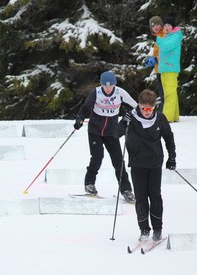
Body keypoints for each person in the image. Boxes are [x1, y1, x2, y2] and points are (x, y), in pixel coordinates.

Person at [117, 89, 176, 242]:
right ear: (139, 105)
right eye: (144, 108)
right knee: (141, 198)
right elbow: (115, 134)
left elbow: (169, 138)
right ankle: (144, 230)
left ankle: (157, 228)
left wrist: (172, 158)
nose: (148, 112)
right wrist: (123, 121)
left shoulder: (160, 119)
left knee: (155, 197)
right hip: (137, 164)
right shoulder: (131, 118)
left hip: (155, 163)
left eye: (150, 108)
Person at [73, 71, 137, 203]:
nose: (108, 88)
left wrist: (129, 116)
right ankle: (89, 183)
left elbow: (136, 107)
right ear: (101, 84)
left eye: (111, 85)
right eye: (105, 85)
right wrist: (79, 118)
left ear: (115, 84)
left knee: (118, 161)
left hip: (112, 132)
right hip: (95, 131)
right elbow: (85, 108)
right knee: (97, 157)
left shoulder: (120, 93)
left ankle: (126, 190)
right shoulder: (95, 93)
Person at [156, 16, 183, 122]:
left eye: (169, 25)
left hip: (170, 68)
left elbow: (166, 46)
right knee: (170, 92)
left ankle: (167, 117)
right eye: (165, 25)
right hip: (164, 68)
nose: (166, 27)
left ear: (173, 27)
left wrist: (156, 38)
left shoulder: (176, 36)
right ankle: (174, 115)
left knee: (169, 93)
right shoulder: (167, 36)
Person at [144, 16, 165, 112]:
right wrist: (152, 59)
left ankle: (164, 112)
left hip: (164, 69)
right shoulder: (157, 37)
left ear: (161, 25)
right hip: (159, 69)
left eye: (157, 24)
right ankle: (163, 111)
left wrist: (156, 59)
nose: (155, 27)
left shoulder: (164, 35)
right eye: (153, 26)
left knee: (165, 93)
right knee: (161, 93)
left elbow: (165, 52)